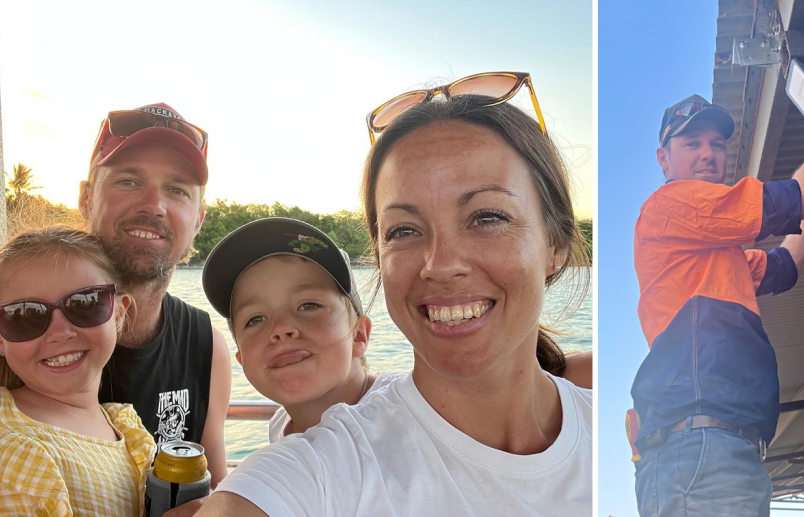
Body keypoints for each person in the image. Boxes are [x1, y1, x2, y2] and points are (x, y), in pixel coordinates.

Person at [198, 75, 593, 516]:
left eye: (486, 217)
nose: (440, 264)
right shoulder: (315, 472)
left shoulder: (644, 431)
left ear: (555, 244)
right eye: (404, 230)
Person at [0, 103, 231, 488]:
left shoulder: (206, 348)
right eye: (128, 181)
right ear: (86, 199)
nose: (153, 205)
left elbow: (214, 488)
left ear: (198, 219)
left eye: (176, 190)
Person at [630, 94, 804, 516]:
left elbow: (786, 264)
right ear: (664, 157)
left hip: (721, 449)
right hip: (700, 449)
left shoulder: (719, 255)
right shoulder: (670, 205)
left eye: (717, 144)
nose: (708, 154)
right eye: (692, 143)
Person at [201, 217, 593, 444]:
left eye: (309, 306)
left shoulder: (417, 409)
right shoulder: (282, 430)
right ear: (240, 358)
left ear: (360, 335)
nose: (282, 329)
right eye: (255, 319)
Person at [0, 226, 156, 515]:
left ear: (118, 313)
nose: (60, 332)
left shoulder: (133, 442)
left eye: (86, 303)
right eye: (24, 315)